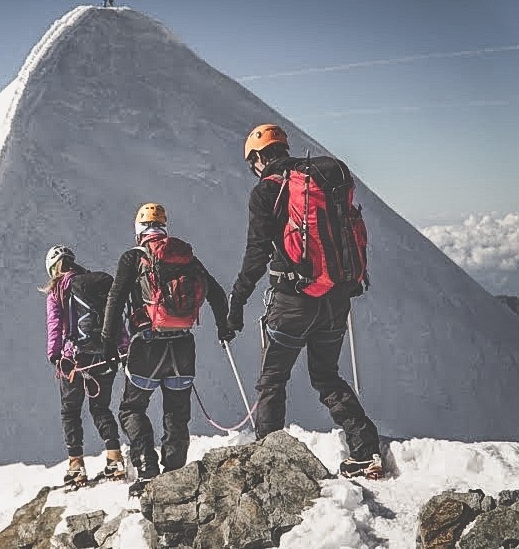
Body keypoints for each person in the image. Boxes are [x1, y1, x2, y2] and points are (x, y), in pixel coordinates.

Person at [225, 123, 382, 479]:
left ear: (260, 157)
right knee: (326, 376)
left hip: (292, 302)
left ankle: (271, 464)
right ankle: (365, 450)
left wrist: (236, 304)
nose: (254, 168)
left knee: (272, 382)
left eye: (253, 161)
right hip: (337, 298)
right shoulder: (321, 180)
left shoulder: (267, 192)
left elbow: (256, 255)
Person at [100, 203, 232, 496]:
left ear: (139, 230)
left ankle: (147, 471)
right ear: (164, 227)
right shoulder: (186, 258)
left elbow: (116, 298)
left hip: (147, 346)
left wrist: (109, 342)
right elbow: (218, 294)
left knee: (132, 408)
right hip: (183, 345)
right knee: (176, 412)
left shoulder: (134, 257)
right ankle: (175, 472)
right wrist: (224, 328)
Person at [41, 244, 126, 487]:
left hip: (73, 360)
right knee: (101, 408)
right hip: (104, 356)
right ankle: (114, 458)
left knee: (70, 411)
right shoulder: (96, 285)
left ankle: (76, 465)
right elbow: (115, 317)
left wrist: (54, 355)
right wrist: (123, 347)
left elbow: (54, 324)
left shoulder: (58, 289)